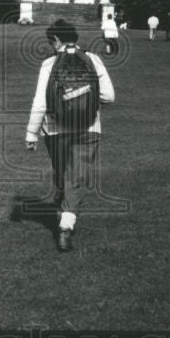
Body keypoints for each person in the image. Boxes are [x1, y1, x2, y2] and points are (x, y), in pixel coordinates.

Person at [25, 19, 115, 253]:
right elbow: (109, 96)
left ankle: (63, 210)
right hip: (88, 127)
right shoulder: (93, 59)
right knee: (76, 176)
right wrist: (85, 99)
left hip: (55, 129)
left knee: (63, 171)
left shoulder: (49, 63)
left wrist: (31, 133)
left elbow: (40, 101)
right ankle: (66, 225)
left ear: (55, 40)